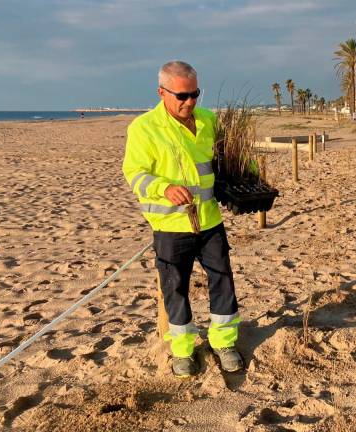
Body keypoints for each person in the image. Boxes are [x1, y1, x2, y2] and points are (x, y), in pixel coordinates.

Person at [122, 61, 243, 378]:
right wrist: (164, 188)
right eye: (182, 96)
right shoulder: (144, 128)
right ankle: (183, 350)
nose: (190, 102)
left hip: (210, 220)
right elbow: (134, 173)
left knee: (223, 281)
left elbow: (227, 161)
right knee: (175, 289)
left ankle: (224, 344)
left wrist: (249, 181)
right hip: (171, 227)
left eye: (195, 94)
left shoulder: (208, 120)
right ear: (161, 92)